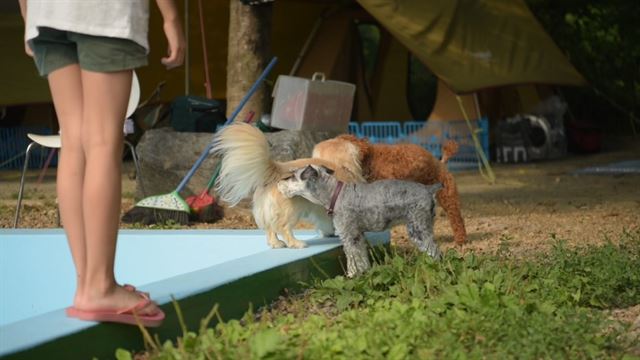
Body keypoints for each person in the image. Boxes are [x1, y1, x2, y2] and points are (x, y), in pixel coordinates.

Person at [18, 0, 185, 327]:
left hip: (47, 12)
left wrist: (28, 14)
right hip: (103, 12)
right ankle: (100, 286)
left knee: (74, 139)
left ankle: (86, 284)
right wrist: (171, 17)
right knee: (102, 141)